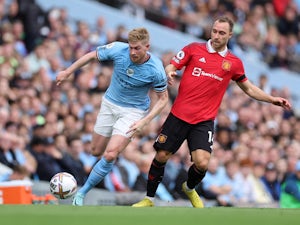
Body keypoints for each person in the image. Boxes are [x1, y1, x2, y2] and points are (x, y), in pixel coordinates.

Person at [132, 16, 292, 208]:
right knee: (161, 157)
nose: (216, 35)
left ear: (230, 35)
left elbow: (248, 88)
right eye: (214, 31)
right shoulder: (193, 49)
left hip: (204, 121)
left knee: (202, 163)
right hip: (179, 115)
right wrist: (169, 72)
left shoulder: (233, 63)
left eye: (221, 33)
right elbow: (172, 65)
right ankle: (149, 199)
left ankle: (189, 188)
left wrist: (271, 99)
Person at [56, 27, 168, 206]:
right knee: (95, 151)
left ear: (147, 46)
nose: (132, 52)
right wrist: (67, 72)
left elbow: (163, 99)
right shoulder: (118, 49)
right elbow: (91, 55)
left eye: (137, 48)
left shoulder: (156, 69)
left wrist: (145, 121)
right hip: (109, 104)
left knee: (110, 154)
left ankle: (82, 193)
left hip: (133, 112)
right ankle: (110, 159)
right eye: (131, 47)